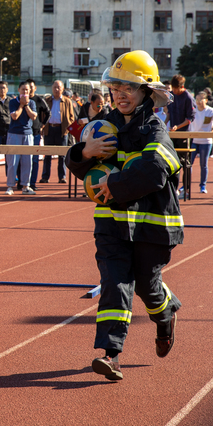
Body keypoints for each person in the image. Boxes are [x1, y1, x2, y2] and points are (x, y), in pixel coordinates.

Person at [66, 50, 182, 382]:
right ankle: (111, 355)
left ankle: (166, 315)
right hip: (113, 225)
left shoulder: (155, 131)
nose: (120, 93)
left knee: (147, 286)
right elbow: (81, 168)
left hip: (152, 228)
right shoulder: (104, 124)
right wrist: (82, 153)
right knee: (115, 283)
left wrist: (112, 184)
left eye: (129, 87)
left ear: (147, 92)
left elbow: (154, 172)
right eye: (116, 86)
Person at [188, 92, 213, 194]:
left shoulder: (210, 111)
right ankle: (186, 186)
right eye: (197, 100)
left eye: (201, 100)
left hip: (206, 141)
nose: (199, 102)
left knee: (203, 164)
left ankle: (203, 186)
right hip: (194, 141)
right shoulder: (194, 111)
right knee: (188, 164)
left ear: (205, 100)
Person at [6, 80, 37, 196]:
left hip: (28, 134)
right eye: (23, 89)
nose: (25, 92)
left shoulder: (32, 103)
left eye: (27, 90)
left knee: (27, 161)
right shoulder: (13, 102)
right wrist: (21, 105)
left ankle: (26, 186)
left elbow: (34, 117)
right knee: (12, 161)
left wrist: (27, 105)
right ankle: (10, 186)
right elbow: (14, 116)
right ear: (19, 90)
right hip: (14, 134)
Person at [41, 79, 75, 184]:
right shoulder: (46, 100)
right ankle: (45, 177)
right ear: (52, 88)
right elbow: (42, 115)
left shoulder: (67, 101)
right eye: (55, 87)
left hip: (62, 130)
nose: (56, 89)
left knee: (62, 156)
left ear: (62, 89)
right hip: (49, 129)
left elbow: (71, 117)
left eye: (59, 87)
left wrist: (67, 126)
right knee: (47, 155)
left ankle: (62, 177)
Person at [27, 81, 49, 190]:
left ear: (35, 88)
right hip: (23, 133)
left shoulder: (40, 100)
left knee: (34, 159)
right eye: (27, 87)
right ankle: (22, 182)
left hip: (35, 133)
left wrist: (42, 125)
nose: (29, 89)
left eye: (31, 87)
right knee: (22, 158)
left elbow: (48, 113)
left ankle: (32, 183)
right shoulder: (21, 100)